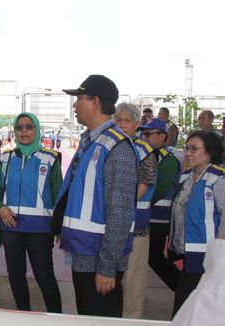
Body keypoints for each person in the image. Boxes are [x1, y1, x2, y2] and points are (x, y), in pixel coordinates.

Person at [54, 75, 138, 317]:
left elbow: (121, 214)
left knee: (101, 318)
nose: (74, 105)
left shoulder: (117, 148)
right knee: (87, 316)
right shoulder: (91, 141)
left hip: (99, 260)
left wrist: (108, 267)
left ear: (95, 102)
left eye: (79, 98)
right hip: (84, 251)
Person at [0, 112, 62, 313]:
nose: (24, 131)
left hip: (40, 230)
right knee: (15, 275)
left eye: (29, 127)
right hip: (10, 227)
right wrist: (1, 208)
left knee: (44, 277)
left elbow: (58, 196)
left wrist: (60, 229)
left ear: (36, 130)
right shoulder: (5, 158)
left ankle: (57, 318)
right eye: (19, 127)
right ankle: (23, 315)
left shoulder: (51, 158)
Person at [168, 130, 224, 317]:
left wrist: (219, 254)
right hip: (188, 254)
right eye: (187, 148)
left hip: (207, 258)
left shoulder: (218, 178)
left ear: (209, 153)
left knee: (187, 310)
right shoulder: (186, 177)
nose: (188, 153)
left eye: (194, 149)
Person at [114, 103, 158, 319]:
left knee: (133, 281)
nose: (122, 125)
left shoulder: (145, 151)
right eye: (118, 120)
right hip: (110, 225)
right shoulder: (108, 146)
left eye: (127, 121)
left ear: (137, 123)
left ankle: (131, 320)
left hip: (136, 226)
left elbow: (144, 185)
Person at [142, 118, 181, 292]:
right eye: (144, 134)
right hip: (150, 215)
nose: (145, 137)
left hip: (159, 218)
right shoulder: (151, 156)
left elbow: (162, 187)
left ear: (162, 136)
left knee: (154, 257)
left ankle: (180, 286)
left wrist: (140, 201)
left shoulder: (168, 159)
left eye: (149, 134)